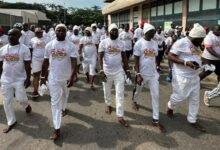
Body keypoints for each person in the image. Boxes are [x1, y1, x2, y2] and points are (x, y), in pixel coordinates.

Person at [40, 24, 77, 140]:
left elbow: (74, 61)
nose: (61, 32)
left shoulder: (70, 45)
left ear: (66, 32)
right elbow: (45, 62)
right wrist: (42, 76)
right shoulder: (49, 45)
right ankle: (57, 128)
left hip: (66, 77)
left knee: (65, 95)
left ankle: (64, 108)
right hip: (53, 77)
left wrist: (72, 76)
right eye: (58, 30)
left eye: (63, 31)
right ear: (55, 32)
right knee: (55, 102)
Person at [167, 23, 206, 132]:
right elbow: (169, 56)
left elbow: (197, 56)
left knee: (194, 99)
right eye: (200, 39)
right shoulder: (181, 42)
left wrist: (203, 64)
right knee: (180, 96)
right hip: (181, 76)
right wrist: (185, 62)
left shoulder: (197, 45)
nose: (201, 42)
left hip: (195, 76)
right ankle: (170, 106)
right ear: (195, 37)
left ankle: (192, 120)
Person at [132, 23, 166, 132]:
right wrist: (138, 74)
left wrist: (156, 69)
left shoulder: (155, 43)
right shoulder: (139, 44)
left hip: (153, 75)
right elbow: (136, 60)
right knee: (138, 90)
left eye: (154, 31)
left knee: (155, 95)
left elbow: (154, 58)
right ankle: (135, 101)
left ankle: (155, 119)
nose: (154, 33)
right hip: (142, 73)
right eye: (152, 31)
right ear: (146, 32)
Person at [98, 23, 131, 127]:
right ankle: (108, 104)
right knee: (106, 91)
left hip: (119, 72)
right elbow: (100, 57)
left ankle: (120, 115)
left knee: (120, 93)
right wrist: (101, 71)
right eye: (112, 30)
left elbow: (124, 57)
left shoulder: (121, 43)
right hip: (107, 71)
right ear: (109, 32)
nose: (114, 32)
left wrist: (127, 69)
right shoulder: (103, 42)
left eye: (116, 30)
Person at [0, 28, 32, 133]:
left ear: (19, 36)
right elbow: (0, 64)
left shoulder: (24, 49)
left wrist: (28, 78)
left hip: (19, 79)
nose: (10, 37)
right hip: (5, 79)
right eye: (9, 34)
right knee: (7, 101)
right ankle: (11, 121)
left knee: (21, 99)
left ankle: (26, 105)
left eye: (13, 35)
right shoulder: (3, 49)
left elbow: (27, 64)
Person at [30, 27, 49, 98]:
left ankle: (44, 85)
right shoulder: (32, 40)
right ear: (35, 33)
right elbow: (31, 50)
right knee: (36, 75)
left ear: (42, 32)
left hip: (45, 59)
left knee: (44, 75)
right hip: (36, 59)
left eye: (40, 32)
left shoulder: (47, 39)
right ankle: (35, 91)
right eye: (37, 32)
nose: (39, 33)